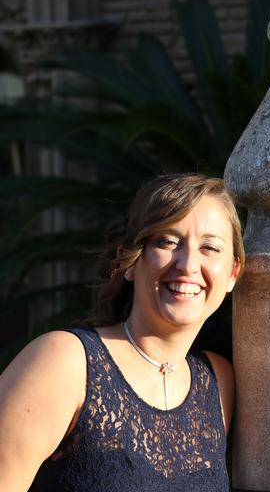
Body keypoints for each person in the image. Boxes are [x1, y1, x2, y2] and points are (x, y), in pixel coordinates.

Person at [0, 173, 244, 491]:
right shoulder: (64, 362)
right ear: (130, 259)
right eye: (167, 241)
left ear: (233, 273)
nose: (187, 264)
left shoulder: (218, 381)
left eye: (210, 247)